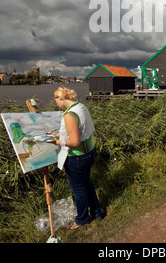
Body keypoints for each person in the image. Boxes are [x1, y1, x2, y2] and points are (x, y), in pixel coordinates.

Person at [51, 86, 104, 229]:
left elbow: (74, 142)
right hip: (89, 152)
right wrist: (59, 134)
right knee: (87, 184)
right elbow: (79, 130)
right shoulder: (81, 107)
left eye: (55, 100)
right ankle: (97, 212)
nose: (56, 103)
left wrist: (58, 142)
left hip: (77, 157)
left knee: (79, 189)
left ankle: (82, 220)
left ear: (61, 98)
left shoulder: (69, 115)